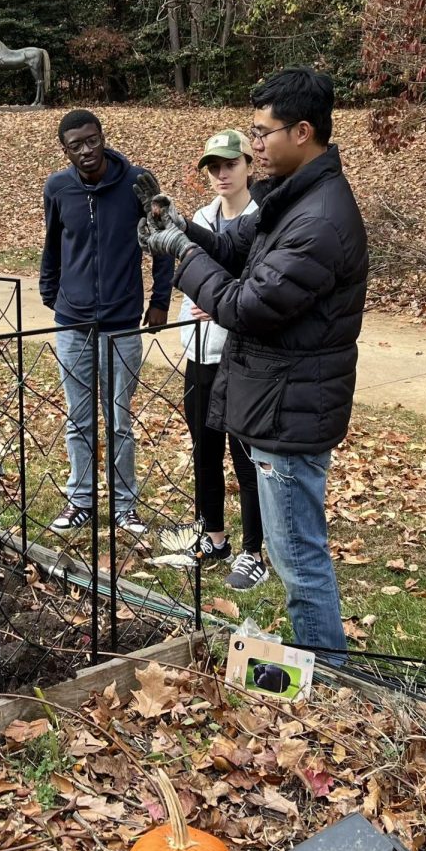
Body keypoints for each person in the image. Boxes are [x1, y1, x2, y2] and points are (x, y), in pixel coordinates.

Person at [138, 67, 367, 662]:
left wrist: (182, 257)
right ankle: (321, 667)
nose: (254, 144)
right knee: (297, 549)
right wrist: (181, 229)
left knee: (297, 556)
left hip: (291, 411)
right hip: (280, 401)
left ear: (304, 132)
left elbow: (246, 304)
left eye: (264, 132)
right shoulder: (295, 197)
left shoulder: (317, 220)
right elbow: (240, 245)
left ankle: (330, 676)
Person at [39, 110, 174, 537]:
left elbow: (162, 243)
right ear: (65, 150)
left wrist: (160, 301)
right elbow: (53, 244)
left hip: (121, 321)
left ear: (103, 137)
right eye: (75, 145)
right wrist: (51, 292)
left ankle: (123, 505)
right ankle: (80, 499)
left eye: (91, 140)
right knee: (78, 419)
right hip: (72, 323)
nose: (86, 151)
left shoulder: (136, 183)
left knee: (118, 418)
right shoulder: (58, 188)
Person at [180, 129, 267, 590]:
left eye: (230, 164)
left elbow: (248, 293)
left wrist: (215, 297)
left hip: (243, 358)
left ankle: (255, 551)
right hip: (200, 353)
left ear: (249, 166)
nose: (221, 173)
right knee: (205, 450)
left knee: (246, 457)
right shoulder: (200, 217)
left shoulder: (262, 220)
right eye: (213, 166)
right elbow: (189, 285)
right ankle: (213, 535)